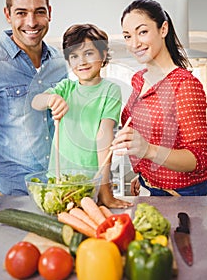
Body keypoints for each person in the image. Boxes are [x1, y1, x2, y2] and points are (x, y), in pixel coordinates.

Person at [111, 0, 207, 196]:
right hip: (149, 188)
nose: (134, 43)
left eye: (142, 32)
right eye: (127, 36)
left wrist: (147, 150)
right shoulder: (139, 79)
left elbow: (198, 160)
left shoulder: (184, 84)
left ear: (163, 29)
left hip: (183, 196)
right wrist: (142, 175)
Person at [0, 0, 68, 210]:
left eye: (39, 12)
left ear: (49, 12)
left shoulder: (59, 63)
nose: (31, 22)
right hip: (12, 198)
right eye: (21, 13)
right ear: (8, 14)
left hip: (59, 191)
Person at [32, 23, 132, 208]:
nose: (82, 61)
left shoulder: (110, 90)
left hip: (91, 180)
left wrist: (105, 189)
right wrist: (50, 99)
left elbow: (104, 136)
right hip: (59, 177)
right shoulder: (65, 88)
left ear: (103, 55)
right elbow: (36, 101)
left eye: (88, 53)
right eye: (74, 56)